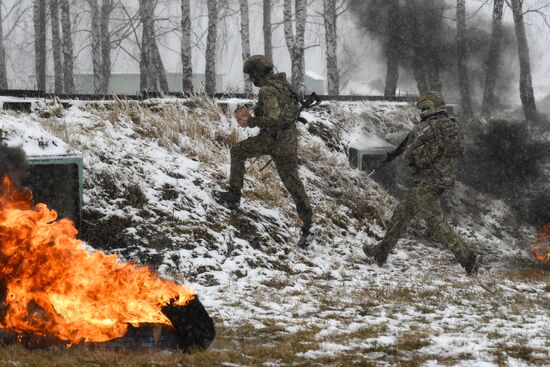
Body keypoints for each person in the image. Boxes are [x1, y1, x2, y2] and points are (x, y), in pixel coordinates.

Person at [363, 91, 482, 275]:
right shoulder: (450, 125)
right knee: (402, 214)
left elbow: (409, 155)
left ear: (428, 108)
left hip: (428, 181)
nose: (421, 112)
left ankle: (469, 259)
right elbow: (457, 152)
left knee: (436, 223)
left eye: (423, 108)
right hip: (442, 179)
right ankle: (381, 251)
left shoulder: (424, 128)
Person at [213, 55, 313, 247]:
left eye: (252, 75)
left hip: (273, 140)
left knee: (238, 151)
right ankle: (308, 225)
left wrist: (250, 121)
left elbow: (273, 118)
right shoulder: (283, 85)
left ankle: (233, 197)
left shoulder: (267, 90)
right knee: (293, 183)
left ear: (258, 73)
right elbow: (283, 112)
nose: (252, 79)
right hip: (289, 140)